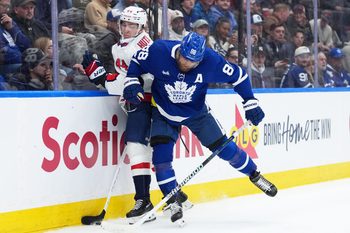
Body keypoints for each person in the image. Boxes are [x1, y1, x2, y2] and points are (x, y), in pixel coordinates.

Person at [122, 32, 278, 224]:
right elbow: (137, 60)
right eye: (184, 58)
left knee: (225, 149)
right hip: (163, 112)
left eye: (192, 62)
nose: (187, 64)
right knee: (161, 158)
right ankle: (173, 199)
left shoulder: (212, 61)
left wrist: (250, 102)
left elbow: (240, 76)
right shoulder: (160, 51)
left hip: (196, 114)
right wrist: (131, 81)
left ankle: (254, 175)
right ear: (179, 50)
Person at [81, 6, 193, 224]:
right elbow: (126, 77)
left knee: (147, 150)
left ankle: (153, 199)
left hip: (151, 104)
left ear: (142, 26)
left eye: (132, 25)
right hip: (138, 103)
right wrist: (106, 78)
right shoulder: (120, 46)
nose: (127, 28)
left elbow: (141, 81)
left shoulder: (144, 47)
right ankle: (160, 198)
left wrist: (103, 79)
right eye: (124, 23)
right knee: (138, 149)